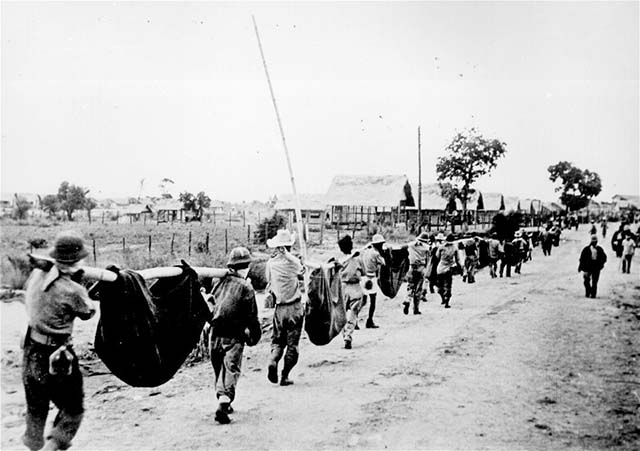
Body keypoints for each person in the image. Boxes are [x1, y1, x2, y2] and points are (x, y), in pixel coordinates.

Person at [22, 231, 96, 451]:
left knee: (36, 409)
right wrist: (79, 283)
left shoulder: (37, 274)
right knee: (73, 410)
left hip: (31, 349)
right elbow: (88, 312)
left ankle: (34, 447)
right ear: (76, 260)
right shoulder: (73, 290)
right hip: (57, 356)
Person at [209, 246, 261, 424]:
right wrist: (254, 335)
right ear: (246, 267)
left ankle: (223, 399)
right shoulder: (246, 287)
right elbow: (252, 316)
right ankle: (224, 403)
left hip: (215, 334)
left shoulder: (218, 282)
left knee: (219, 368)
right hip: (234, 334)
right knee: (231, 368)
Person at [265, 230, 305, 386]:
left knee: (277, 341)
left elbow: (269, 282)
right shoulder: (293, 264)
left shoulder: (271, 263)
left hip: (279, 308)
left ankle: (273, 360)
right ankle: (284, 375)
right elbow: (302, 270)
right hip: (294, 306)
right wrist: (292, 257)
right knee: (292, 345)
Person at [338, 235, 366, 349]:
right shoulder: (358, 259)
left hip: (342, 287)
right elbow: (363, 272)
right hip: (355, 287)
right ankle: (348, 335)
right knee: (353, 313)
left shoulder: (339, 260)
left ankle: (344, 333)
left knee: (341, 314)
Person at [360, 234, 386, 326]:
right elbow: (383, 263)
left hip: (363, 277)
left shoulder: (366, 252)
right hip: (371, 277)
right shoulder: (376, 254)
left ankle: (354, 320)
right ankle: (369, 320)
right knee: (372, 301)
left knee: (362, 301)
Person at [405, 231, 430, 315]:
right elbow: (428, 259)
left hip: (411, 267)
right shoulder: (426, 247)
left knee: (410, 286)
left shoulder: (411, 245)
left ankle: (407, 300)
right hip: (421, 268)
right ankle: (416, 309)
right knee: (418, 288)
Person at [436, 234, 462, 309]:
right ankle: (447, 300)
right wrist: (460, 267)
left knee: (440, 285)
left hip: (440, 268)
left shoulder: (441, 247)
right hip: (449, 268)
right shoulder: (454, 247)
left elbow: (437, 256)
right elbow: (458, 259)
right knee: (448, 285)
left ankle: (442, 298)